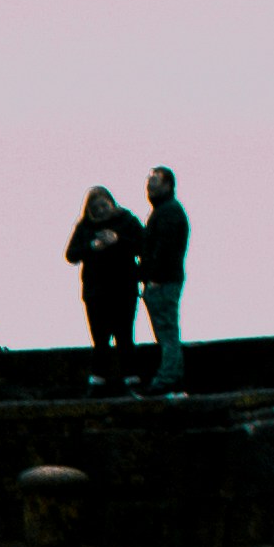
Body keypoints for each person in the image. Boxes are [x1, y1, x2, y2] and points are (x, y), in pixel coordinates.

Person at [66, 185, 144, 386]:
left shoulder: (127, 220)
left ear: (111, 202)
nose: (100, 211)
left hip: (124, 288)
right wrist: (92, 247)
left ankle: (131, 377)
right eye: (95, 208)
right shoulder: (85, 227)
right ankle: (99, 379)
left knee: (124, 334)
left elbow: (143, 245)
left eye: (103, 205)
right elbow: (71, 254)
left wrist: (118, 240)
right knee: (100, 338)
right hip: (95, 291)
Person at [135, 167, 190, 394]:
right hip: (164, 281)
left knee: (167, 333)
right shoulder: (165, 211)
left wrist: (154, 279)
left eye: (155, 181)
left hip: (163, 282)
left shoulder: (168, 213)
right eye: (149, 181)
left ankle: (167, 379)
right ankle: (172, 377)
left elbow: (165, 251)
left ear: (168, 185)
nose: (150, 185)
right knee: (167, 332)